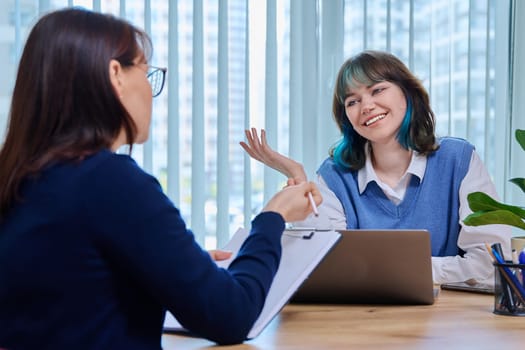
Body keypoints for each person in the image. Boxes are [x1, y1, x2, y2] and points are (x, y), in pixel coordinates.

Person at [0, 8, 322, 349]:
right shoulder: (109, 180)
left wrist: (171, 263)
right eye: (146, 71)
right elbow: (231, 315)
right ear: (116, 75)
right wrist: (272, 218)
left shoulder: (18, 177)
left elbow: (72, 292)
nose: (152, 91)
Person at [240, 50, 512, 286]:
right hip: (361, 323)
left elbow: (491, 264)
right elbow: (322, 266)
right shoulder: (334, 175)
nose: (366, 106)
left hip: (449, 323)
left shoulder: (459, 159)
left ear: (408, 92)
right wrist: (300, 185)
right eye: (352, 101)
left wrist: (400, 271)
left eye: (377, 90)